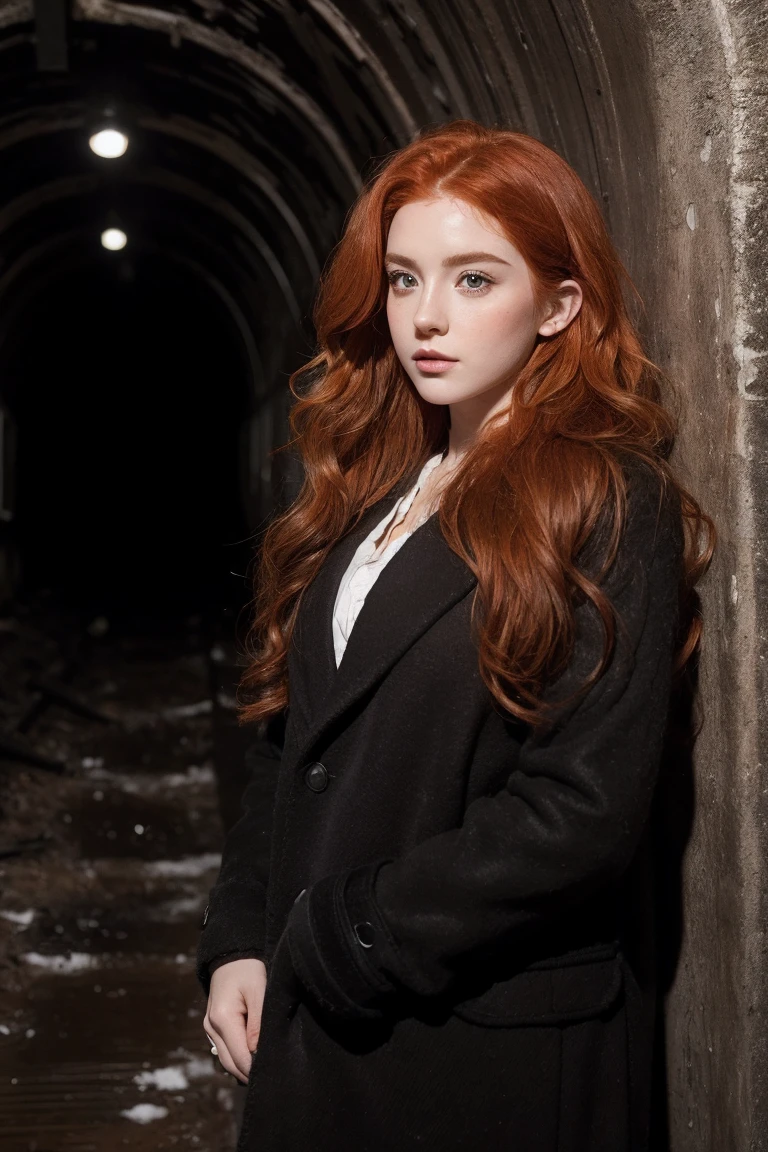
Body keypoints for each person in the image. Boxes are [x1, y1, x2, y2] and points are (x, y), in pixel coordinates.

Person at [196, 119, 715, 1151]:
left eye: (474, 280)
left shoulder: (609, 504)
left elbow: (580, 814)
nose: (426, 318)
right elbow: (294, 746)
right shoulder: (379, 487)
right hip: (329, 1015)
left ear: (560, 304)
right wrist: (241, 938)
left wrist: (340, 933)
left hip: (479, 1050)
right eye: (402, 280)